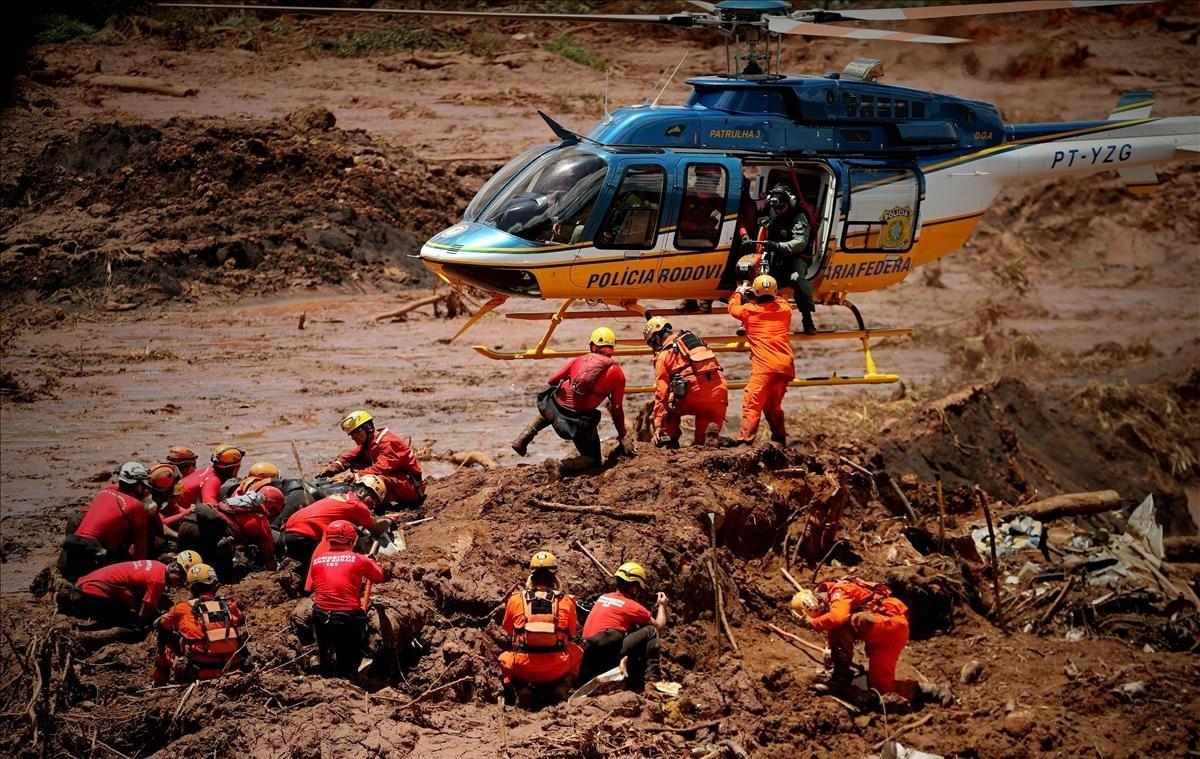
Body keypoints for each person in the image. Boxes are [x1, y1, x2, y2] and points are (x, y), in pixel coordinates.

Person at [791, 578, 952, 706]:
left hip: (887, 623)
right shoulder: (835, 600)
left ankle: (840, 679)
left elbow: (838, 618)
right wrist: (830, 650)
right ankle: (934, 690)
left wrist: (810, 623)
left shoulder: (840, 591)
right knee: (882, 687)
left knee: (843, 624)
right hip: (892, 633)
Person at [510, 327, 631, 472]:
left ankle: (524, 437)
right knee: (594, 461)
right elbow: (617, 409)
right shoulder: (617, 374)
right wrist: (623, 436)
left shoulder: (579, 359)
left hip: (552, 411)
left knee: (551, 397)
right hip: (577, 425)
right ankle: (562, 466)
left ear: (592, 346)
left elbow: (551, 380)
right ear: (612, 348)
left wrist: (570, 381)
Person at [498, 551, 583, 707]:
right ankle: (561, 687)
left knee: (504, 657)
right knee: (578, 652)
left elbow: (509, 630)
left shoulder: (516, 599)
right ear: (554, 577)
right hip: (557, 666)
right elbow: (571, 632)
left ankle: (522, 688)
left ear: (532, 576)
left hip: (523, 667)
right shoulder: (566, 601)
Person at [305, 520, 386, 678]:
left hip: (320, 617)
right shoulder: (360, 560)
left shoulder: (316, 560)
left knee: (325, 656)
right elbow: (379, 577)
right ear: (352, 539)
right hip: (348, 620)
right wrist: (372, 563)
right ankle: (347, 676)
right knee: (348, 663)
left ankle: (324, 663)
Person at [59, 462, 157, 581]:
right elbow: (140, 548)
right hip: (93, 561)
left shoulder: (105, 491)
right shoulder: (136, 506)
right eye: (144, 483)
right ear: (138, 486)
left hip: (67, 557)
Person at [727, 274, 795, 446]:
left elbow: (732, 308)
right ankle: (780, 439)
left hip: (765, 368)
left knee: (752, 402)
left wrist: (739, 292)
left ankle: (745, 442)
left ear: (755, 293)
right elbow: (780, 300)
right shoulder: (785, 310)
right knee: (773, 405)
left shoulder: (749, 311)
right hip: (785, 367)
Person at [579, 562, 667, 693]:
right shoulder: (632, 606)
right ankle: (652, 679)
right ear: (634, 587)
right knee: (651, 631)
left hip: (588, 655)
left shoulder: (603, 598)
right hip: (607, 653)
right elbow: (659, 627)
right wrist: (662, 606)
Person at [643, 317, 728, 448]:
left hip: (694, 394)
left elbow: (661, 393)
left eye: (651, 343)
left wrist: (659, 425)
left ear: (656, 338)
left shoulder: (664, 355)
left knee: (668, 405)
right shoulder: (696, 342)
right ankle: (708, 439)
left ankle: (669, 439)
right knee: (703, 442)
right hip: (719, 394)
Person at [153, 563, 245, 684]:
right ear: (215, 586)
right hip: (233, 669)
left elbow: (161, 624)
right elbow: (241, 619)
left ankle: (160, 680)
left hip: (198, 673)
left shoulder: (182, 609)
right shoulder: (228, 606)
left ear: (191, 587)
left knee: (164, 635)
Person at [283, 475, 392, 577]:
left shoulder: (341, 496)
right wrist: (389, 521)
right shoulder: (358, 505)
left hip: (289, 533)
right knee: (328, 568)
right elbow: (376, 530)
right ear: (362, 491)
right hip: (305, 537)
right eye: (373, 499)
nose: (373, 505)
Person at [744, 183, 816, 334]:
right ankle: (750, 320)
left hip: (794, 256)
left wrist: (778, 246)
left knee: (797, 279)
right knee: (758, 279)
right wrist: (762, 221)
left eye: (781, 207)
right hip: (774, 253)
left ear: (789, 203)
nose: (778, 211)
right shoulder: (772, 210)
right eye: (775, 208)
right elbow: (762, 219)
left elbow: (800, 243)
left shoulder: (799, 217)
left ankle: (807, 317)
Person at [57, 552, 200, 627]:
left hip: (87, 582)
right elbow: (144, 615)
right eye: (181, 578)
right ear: (176, 569)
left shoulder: (157, 565)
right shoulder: (158, 581)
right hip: (88, 592)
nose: (180, 583)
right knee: (132, 623)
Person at [315, 411, 425, 508]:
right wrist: (335, 466)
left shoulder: (389, 442)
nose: (353, 437)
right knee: (356, 462)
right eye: (351, 434)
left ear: (367, 428)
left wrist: (354, 476)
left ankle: (366, 508)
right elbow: (351, 455)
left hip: (411, 487)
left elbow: (380, 468)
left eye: (355, 433)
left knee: (371, 480)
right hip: (397, 481)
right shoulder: (370, 442)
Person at [176, 486, 284, 576]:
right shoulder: (258, 520)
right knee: (222, 572)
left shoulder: (238, 501)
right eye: (276, 513)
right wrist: (273, 571)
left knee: (181, 564)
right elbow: (268, 552)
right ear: (272, 508)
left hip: (187, 522)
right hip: (203, 533)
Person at [166, 445, 245, 529]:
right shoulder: (213, 480)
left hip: (177, 507)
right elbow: (210, 506)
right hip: (175, 515)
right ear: (232, 468)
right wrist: (233, 525)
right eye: (238, 467)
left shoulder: (208, 471)